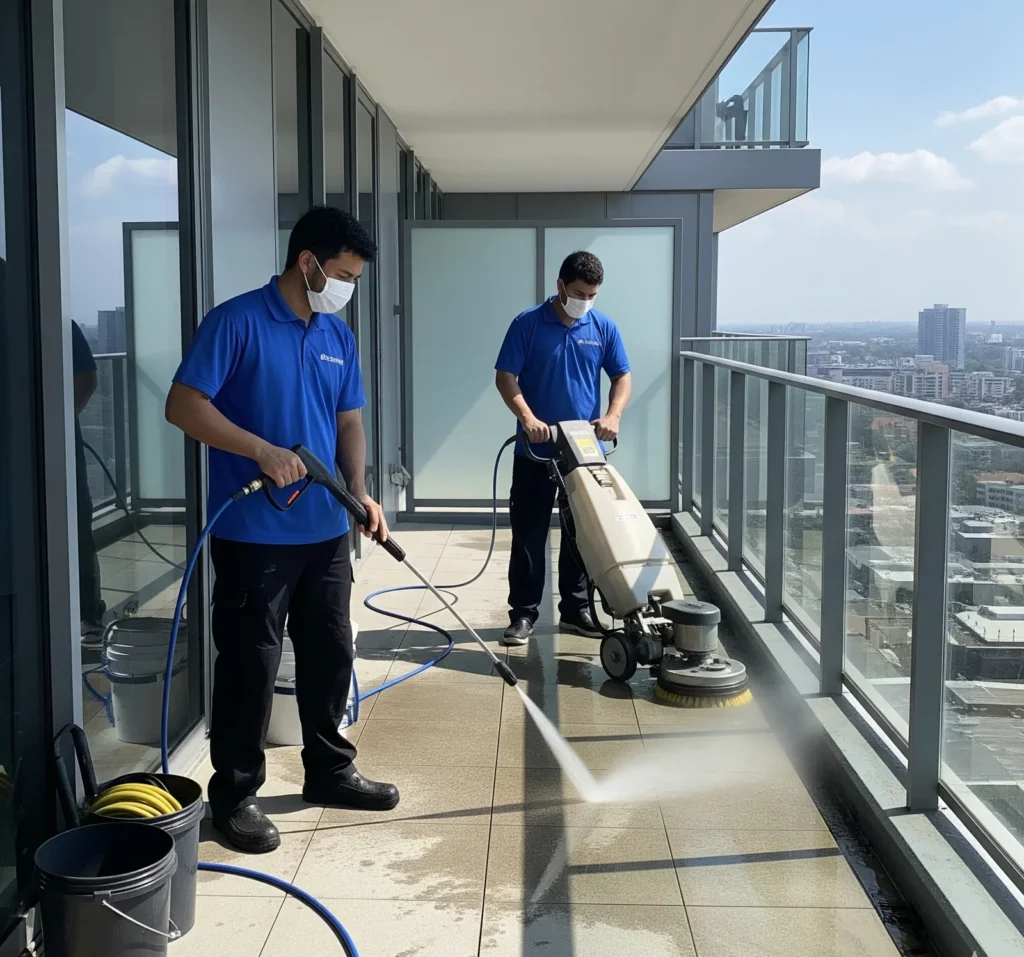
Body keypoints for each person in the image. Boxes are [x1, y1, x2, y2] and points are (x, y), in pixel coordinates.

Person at [166, 206, 397, 854]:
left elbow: (349, 421)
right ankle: (235, 796)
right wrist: (261, 451)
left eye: (354, 279)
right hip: (253, 533)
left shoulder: (336, 335)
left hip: (324, 529)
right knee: (251, 663)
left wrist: (359, 492)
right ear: (308, 262)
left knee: (330, 651)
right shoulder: (236, 321)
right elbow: (183, 405)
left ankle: (329, 769)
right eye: (343, 275)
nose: (347, 288)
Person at [494, 251, 632, 646]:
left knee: (583, 533)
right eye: (578, 293)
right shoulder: (528, 324)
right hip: (536, 450)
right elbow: (506, 376)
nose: (585, 301)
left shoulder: (602, 327)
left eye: (592, 295)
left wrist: (613, 415)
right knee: (529, 534)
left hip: (584, 451)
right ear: (560, 286)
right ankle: (523, 614)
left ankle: (576, 609)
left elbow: (622, 376)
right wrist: (528, 418)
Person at [71, 319, 104, 637]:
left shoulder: (56, 323)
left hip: (55, 443)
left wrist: (60, 421)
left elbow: (86, 378)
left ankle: (87, 615)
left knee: (75, 522)